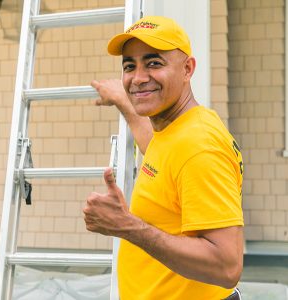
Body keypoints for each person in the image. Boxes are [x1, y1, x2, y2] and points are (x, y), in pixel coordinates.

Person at [83, 16, 244, 299]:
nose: (139, 77)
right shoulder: (176, 130)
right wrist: (123, 99)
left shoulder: (198, 147)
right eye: (129, 66)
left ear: (187, 69)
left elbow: (226, 265)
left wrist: (127, 226)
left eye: (154, 63)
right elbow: (161, 153)